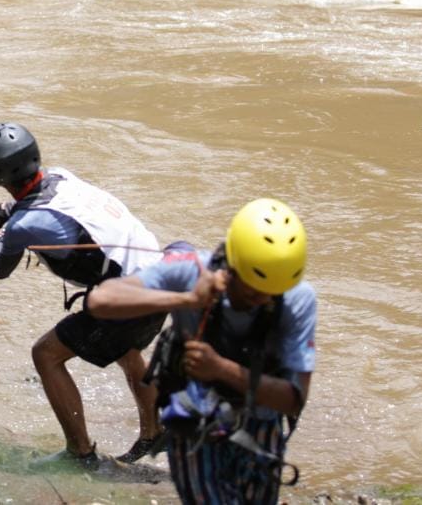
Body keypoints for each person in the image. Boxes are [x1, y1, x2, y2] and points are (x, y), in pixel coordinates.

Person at [86, 198, 317, 505]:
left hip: (260, 422)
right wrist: (186, 300)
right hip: (195, 424)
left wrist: (220, 368)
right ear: (233, 266)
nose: (263, 299)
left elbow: (293, 398)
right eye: (253, 290)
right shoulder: (190, 271)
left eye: (273, 293)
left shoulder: (298, 298)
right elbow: (101, 301)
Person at [0, 122, 164, 467]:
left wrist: (3, 235)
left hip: (130, 299)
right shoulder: (62, 176)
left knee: (46, 354)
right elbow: (45, 202)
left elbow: (0, 269)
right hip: (159, 278)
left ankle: (80, 453)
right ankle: (154, 432)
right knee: (126, 349)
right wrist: (8, 209)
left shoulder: (23, 227)